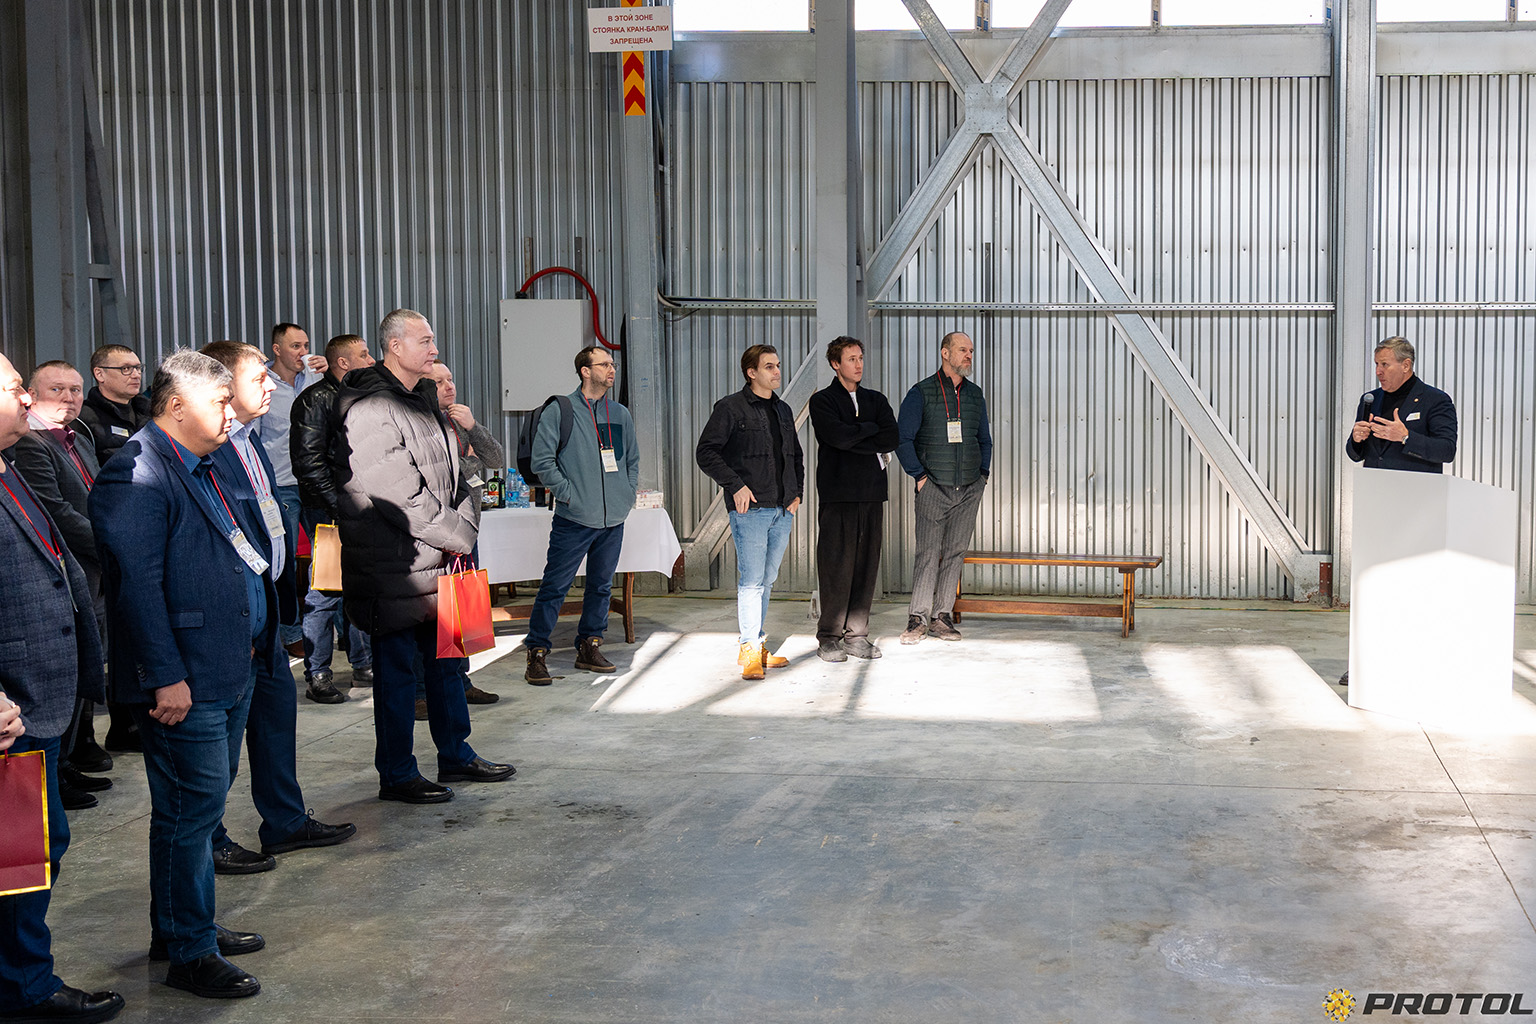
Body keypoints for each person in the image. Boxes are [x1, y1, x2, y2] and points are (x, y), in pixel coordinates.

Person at [89, 351, 266, 999]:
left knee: (195, 811)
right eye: (219, 403)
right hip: (183, 679)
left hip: (225, 663)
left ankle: (181, 928)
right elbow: (137, 588)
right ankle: (190, 952)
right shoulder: (136, 472)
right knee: (191, 814)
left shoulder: (204, 463)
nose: (230, 414)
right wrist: (164, 676)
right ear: (175, 406)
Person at [334, 308, 514, 804]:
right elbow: (402, 495)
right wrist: (461, 533)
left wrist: (460, 521)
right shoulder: (372, 407)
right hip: (397, 566)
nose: (434, 350)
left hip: (438, 559)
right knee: (397, 677)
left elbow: (457, 475)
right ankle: (397, 774)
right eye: (425, 341)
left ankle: (455, 754)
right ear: (395, 346)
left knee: (448, 665)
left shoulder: (422, 400)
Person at [0, 350, 125, 1024]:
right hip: (12, 711)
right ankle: (24, 988)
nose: (28, 400)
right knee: (20, 855)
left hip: (40, 699)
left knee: (36, 848)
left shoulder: (12, 465)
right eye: (15, 388)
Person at [200, 341, 356, 873]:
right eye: (258, 378)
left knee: (274, 721)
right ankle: (210, 838)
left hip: (268, 604)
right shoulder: (210, 452)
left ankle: (285, 822)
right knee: (219, 745)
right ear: (222, 387)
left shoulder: (251, 441)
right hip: (236, 617)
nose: (271, 385)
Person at [5, 361, 122, 802]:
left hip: (82, 578)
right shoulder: (30, 445)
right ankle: (62, 766)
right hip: (20, 680)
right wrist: (110, 546)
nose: (70, 398)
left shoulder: (77, 437)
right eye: (56, 389)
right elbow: (58, 513)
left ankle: (69, 760)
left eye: (75, 390)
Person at [523, 346, 639, 685]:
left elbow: (632, 460)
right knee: (554, 587)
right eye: (604, 364)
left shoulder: (620, 413)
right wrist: (569, 495)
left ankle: (590, 645)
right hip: (574, 518)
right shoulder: (562, 411)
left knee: (601, 586)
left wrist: (626, 493)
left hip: (612, 519)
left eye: (613, 364)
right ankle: (537, 652)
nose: (611, 369)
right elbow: (542, 461)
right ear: (585, 371)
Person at [695, 344, 805, 680]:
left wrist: (797, 493)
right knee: (752, 581)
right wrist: (735, 485)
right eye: (769, 366)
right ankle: (748, 649)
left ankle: (756, 642)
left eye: (778, 365)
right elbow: (706, 452)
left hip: (782, 508)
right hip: (751, 509)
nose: (777, 371)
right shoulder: (730, 408)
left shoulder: (783, 410)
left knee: (767, 579)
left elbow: (795, 455)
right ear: (751, 372)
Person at [290, 334, 375, 703]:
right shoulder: (315, 400)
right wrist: (339, 508)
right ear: (343, 362)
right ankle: (318, 673)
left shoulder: (362, 396)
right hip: (330, 511)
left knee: (360, 586)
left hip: (360, 510)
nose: (371, 360)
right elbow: (308, 463)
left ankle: (363, 663)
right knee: (325, 591)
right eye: (364, 354)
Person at [895, 331, 992, 645]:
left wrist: (982, 476)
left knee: (954, 553)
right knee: (928, 553)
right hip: (933, 488)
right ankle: (917, 619)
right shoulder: (921, 392)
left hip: (969, 489)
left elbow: (984, 440)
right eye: (963, 350)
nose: (969, 355)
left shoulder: (975, 395)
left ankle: (941, 616)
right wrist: (920, 477)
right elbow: (903, 439)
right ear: (945, 353)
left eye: (971, 350)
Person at [807, 337, 899, 662]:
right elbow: (836, 437)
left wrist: (856, 434)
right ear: (836, 364)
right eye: (851, 359)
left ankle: (857, 635)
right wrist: (869, 431)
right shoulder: (823, 401)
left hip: (872, 493)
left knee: (866, 565)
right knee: (836, 564)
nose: (858, 364)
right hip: (838, 494)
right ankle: (829, 636)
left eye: (860, 358)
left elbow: (891, 437)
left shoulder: (876, 399)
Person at [427, 360, 504, 705]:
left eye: (450, 379)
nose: (449, 386)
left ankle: (461, 678)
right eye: (439, 382)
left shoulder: (459, 420)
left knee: (463, 606)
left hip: (467, 529)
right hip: (439, 531)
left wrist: (473, 427)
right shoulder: (422, 423)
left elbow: (496, 459)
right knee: (435, 614)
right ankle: (423, 689)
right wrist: (471, 461)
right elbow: (447, 473)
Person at [259, 323, 327, 656]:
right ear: (277, 350)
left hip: (314, 483)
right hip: (281, 487)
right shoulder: (263, 385)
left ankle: (331, 633)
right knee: (283, 563)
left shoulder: (315, 378)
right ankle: (290, 632)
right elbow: (254, 438)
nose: (303, 352)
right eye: (295, 346)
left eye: (306, 345)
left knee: (328, 559)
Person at [1346, 337, 1457, 473]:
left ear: (1406, 365)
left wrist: (1406, 437)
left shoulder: (1435, 400)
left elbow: (1447, 450)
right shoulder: (1370, 399)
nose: (1378, 371)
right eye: (1376, 364)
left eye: (1384, 364)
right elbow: (1356, 454)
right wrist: (1356, 439)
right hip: (1374, 484)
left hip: (1416, 485)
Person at [77, 344, 151, 468]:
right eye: (126, 369)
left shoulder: (152, 412)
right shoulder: (83, 419)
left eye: (138, 368)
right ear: (99, 374)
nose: (136, 375)